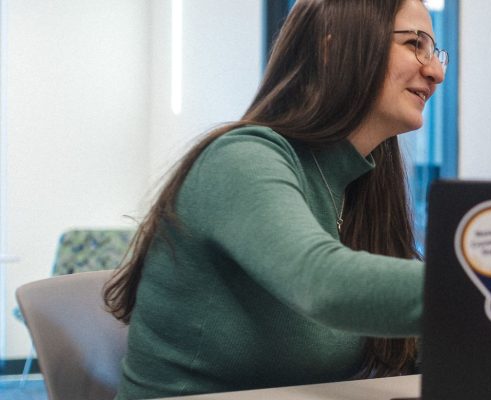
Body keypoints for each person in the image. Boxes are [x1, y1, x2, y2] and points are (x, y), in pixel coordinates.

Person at [102, 0, 446, 398]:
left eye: (435, 53)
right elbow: (325, 284)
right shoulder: (241, 159)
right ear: (332, 51)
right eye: (414, 44)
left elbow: (408, 346)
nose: (435, 71)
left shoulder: (362, 183)